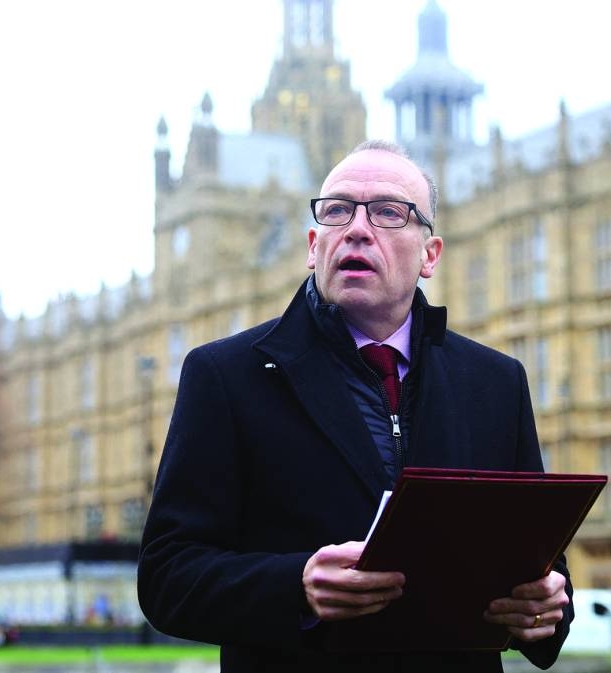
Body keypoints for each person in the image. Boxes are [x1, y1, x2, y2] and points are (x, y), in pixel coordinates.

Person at [137, 140, 573, 672]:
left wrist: (548, 605)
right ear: (313, 244)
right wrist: (294, 585)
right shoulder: (227, 376)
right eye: (338, 210)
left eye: (389, 212)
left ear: (429, 255)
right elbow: (166, 576)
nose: (358, 229)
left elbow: (538, 559)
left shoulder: (496, 381)